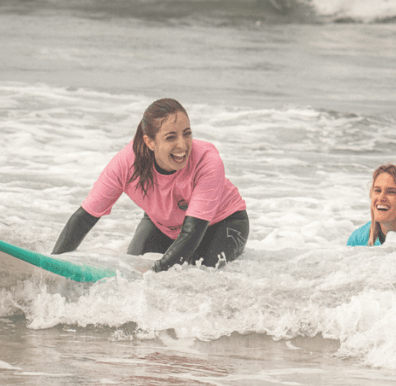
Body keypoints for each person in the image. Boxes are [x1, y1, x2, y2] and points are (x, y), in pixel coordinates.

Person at [52, 98, 249, 272]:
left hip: (224, 223)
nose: (183, 145)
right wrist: (53, 263)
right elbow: (85, 217)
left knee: (196, 274)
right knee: (132, 265)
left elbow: (192, 231)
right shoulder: (127, 163)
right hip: (164, 226)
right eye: (171, 137)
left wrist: (156, 272)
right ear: (150, 142)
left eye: (187, 134)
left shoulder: (207, 161)